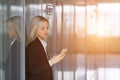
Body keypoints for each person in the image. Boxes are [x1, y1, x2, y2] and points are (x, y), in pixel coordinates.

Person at [25, 16, 68, 80]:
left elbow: (42, 65)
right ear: (35, 29)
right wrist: (51, 61)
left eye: (47, 28)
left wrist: (57, 58)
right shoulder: (33, 45)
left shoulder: (41, 43)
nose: (46, 31)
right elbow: (33, 70)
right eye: (42, 28)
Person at [5, 16, 21, 80]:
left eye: (10, 28)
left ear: (16, 29)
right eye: (7, 28)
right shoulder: (15, 43)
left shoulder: (18, 45)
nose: (7, 30)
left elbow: (14, 69)